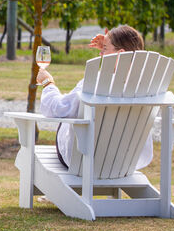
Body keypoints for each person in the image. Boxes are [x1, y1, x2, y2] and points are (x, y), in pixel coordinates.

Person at [36, 24, 153, 170]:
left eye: (104, 50)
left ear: (120, 54)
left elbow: (58, 109)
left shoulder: (95, 83)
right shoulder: (148, 86)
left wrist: (48, 83)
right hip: (125, 163)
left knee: (69, 114)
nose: (100, 54)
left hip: (83, 161)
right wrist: (110, 45)